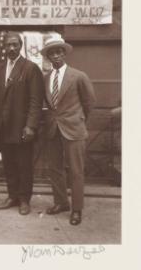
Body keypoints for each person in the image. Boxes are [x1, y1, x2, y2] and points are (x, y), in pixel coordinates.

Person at [41, 37, 96, 226]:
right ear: (48, 56)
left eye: (59, 52)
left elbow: (89, 103)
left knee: (76, 171)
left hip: (74, 128)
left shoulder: (78, 76)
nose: (56, 55)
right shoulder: (46, 78)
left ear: (64, 53)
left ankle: (77, 209)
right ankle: (61, 203)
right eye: (52, 53)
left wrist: (79, 120)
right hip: (52, 129)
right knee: (54, 168)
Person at [0, 32, 44, 215]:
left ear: (21, 45)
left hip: (22, 127)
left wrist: (31, 125)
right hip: (5, 127)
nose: (12, 48)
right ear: (4, 47)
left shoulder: (30, 68)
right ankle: (12, 196)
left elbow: (36, 101)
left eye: (15, 44)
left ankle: (24, 200)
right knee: (9, 164)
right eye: (8, 45)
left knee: (24, 165)